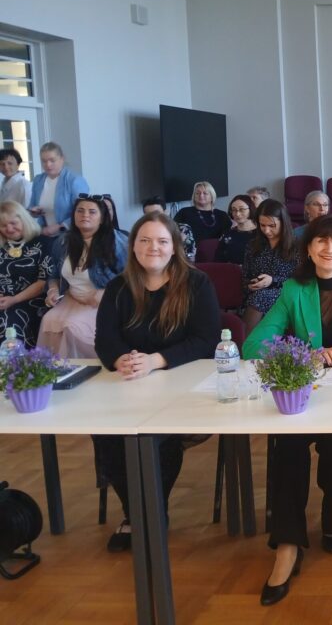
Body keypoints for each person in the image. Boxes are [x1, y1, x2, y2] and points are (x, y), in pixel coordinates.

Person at [242, 214, 332, 606]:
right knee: (287, 448)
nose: (330, 249)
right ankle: (287, 545)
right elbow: (253, 344)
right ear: (308, 249)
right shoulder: (294, 289)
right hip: (304, 397)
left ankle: (331, 502)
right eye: (322, 241)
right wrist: (301, 354)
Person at [93, 212, 221, 552]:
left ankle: (153, 511)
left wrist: (154, 361)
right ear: (133, 246)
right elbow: (105, 339)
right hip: (129, 384)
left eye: (162, 241)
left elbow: (206, 340)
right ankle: (136, 512)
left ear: (174, 247)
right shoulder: (118, 288)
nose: (154, 248)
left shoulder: (196, 283)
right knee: (107, 437)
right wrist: (120, 359)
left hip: (181, 384)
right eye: (145, 240)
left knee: (159, 439)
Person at [38, 194, 128, 357]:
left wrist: (107, 293)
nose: (85, 215)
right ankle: (53, 370)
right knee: (48, 321)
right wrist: (53, 290)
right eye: (80, 210)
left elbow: (131, 276)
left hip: (104, 302)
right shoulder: (63, 241)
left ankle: (86, 369)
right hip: (72, 298)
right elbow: (54, 274)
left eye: (92, 212)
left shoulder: (116, 241)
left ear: (102, 218)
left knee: (72, 327)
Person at [0, 200, 52, 345]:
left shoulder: (44, 243)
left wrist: (13, 300)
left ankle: (15, 359)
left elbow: (43, 282)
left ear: (24, 220)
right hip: (3, 300)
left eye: (13, 223)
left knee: (9, 322)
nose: (9, 229)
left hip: (29, 301)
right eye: (3, 225)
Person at [242, 199, 297, 333]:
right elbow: (245, 276)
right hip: (255, 295)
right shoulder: (253, 245)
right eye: (262, 225)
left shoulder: (296, 246)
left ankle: (247, 342)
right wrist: (251, 284)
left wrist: (273, 280)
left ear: (283, 223)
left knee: (260, 297)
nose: (267, 230)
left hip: (286, 293)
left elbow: (301, 280)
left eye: (272, 226)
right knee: (258, 296)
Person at [28, 141, 89, 237]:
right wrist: (34, 212)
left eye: (52, 160)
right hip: (44, 233)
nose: (48, 165)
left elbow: (83, 212)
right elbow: (32, 206)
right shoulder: (38, 180)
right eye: (44, 161)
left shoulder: (74, 180)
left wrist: (61, 226)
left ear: (62, 159)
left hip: (69, 235)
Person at [142, 196, 196, 262]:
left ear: (165, 212)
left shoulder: (183, 229)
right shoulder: (141, 233)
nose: (153, 217)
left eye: (157, 213)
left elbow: (190, 257)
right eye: (149, 215)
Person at [216, 194, 258, 264]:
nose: (237, 214)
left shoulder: (261, 234)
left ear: (251, 209)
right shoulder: (227, 234)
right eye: (234, 210)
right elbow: (218, 260)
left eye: (242, 209)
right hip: (229, 270)